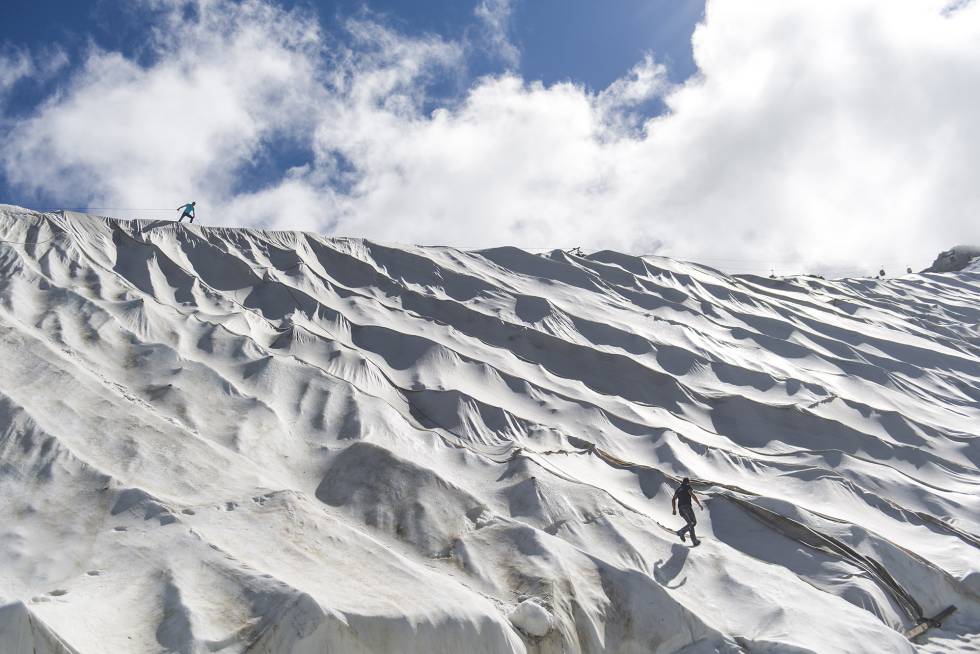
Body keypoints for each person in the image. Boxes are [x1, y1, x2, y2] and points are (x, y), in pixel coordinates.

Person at [672, 477, 704, 546]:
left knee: (690, 524)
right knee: (693, 522)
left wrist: (674, 509)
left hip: (681, 509)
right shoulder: (687, 487)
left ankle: (694, 541)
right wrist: (699, 504)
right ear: (687, 482)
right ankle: (682, 532)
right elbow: (692, 495)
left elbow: (673, 499)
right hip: (687, 507)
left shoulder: (678, 489)